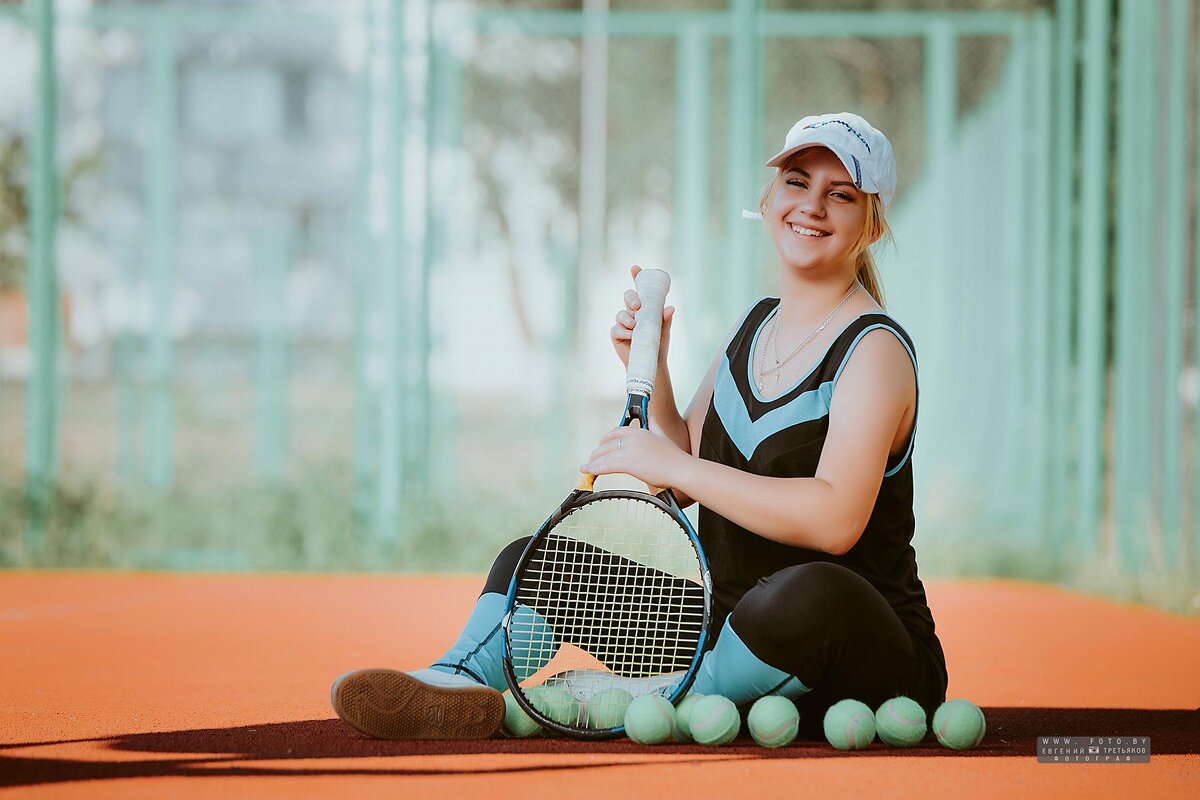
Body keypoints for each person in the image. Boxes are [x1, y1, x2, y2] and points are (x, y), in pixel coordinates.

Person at [331, 111, 948, 741]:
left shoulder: (874, 350)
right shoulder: (755, 327)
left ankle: (660, 698)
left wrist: (677, 466)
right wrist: (650, 367)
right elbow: (683, 481)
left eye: (839, 194)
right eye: (796, 182)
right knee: (535, 561)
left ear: (870, 224)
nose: (811, 205)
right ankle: (457, 681)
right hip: (725, 628)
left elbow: (833, 521)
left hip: (861, 648)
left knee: (809, 591)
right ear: (767, 202)